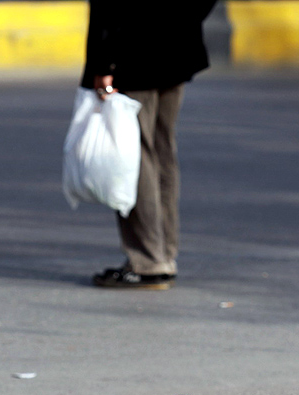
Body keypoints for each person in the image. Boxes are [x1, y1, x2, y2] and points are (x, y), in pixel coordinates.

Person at [81, 0, 218, 289]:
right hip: (178, 47)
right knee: (161, 149)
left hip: (133, 51)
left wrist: (103, 62)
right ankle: (164, 254)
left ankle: (147, 261)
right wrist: (184, 20)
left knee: (136, 153)